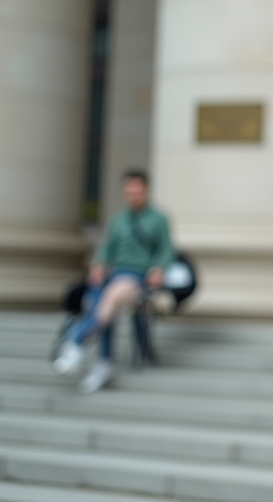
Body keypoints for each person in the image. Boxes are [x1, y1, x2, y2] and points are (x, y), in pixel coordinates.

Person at [53, 168, 175, 393]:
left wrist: (158, 268)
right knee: (101, 304)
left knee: (110, 299)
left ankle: (76, 342)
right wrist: (98, 264)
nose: (133, 196)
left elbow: (166, 250)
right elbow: (106, 248)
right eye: (129, 192)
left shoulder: (159, 219)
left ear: (146, 190)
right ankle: (104, 364)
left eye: (137, 191)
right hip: (114, 274)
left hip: (139, 276)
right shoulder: (118, 220)